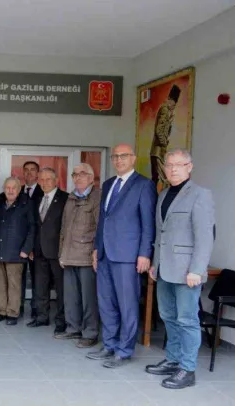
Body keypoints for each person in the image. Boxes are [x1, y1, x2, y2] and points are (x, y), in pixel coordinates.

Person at [146, 149, 215, 389]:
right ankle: (173, 360)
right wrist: (155, 263)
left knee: (187, 320)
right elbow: (160, 233)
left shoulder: (200, 195)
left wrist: (197, 269)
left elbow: (205, 236)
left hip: (187, 272)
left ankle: (187, 369)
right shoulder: (164, 194)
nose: (173, 169)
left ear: (189, 167)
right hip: (164, 268)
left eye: (179, 164)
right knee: (168, 316)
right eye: (169, 164)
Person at [88, 144, 156, 368]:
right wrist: (97, 248)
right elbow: (103, 220)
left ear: (133, 158)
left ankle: (124, 350)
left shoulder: (144, 185)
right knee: (106, 303)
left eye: (123, 156)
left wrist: (145, 253)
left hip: (128, 255)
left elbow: (148, 223)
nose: (119, 160)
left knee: (127, 305)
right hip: (105, 254)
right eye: (115, 156)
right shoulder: (108, 184)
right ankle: (109, 345)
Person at [58, 163, 101, 348]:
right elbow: (64, 228)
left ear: (91, 177)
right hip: (69, 255)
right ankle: (73, 328)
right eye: (75, 174)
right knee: (71, 297)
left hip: (87, 257)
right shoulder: (71, 197)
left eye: (82, 174)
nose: (78, 177)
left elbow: (100, 228)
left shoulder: (97, 197)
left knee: (88, 298)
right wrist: (61, 253)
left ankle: (90, 333)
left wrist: (96, 253)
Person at [0, 177, 35, 326]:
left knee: (14, 285)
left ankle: (12, 313)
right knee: (0, 284)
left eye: (13, 188)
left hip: (16, 252)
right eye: (7, 188)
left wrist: (26, 249)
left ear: (19, 189)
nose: (10, 190)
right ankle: (1, 311)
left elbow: (32, 228)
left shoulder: (26, 204)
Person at [29, 168, 69, 334]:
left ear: (56, 180)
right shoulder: (37, 198)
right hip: (39, 251)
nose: (44, 182)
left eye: (48, 179)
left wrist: (65, 250)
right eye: (41, 179)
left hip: (58, 251)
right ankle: (42, 317)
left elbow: (67, 227)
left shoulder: (65, 198)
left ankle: (61, 321)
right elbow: (34, 226)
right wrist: (31, 247)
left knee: (61, 289)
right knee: (40, 286)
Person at [21, 160, 43, 318]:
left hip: (37, 244)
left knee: (37, 278)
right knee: (19, 277)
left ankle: (36, 307)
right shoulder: (18, 191)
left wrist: (32, 247)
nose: (29, 173)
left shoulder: (44, 192)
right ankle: (18, 305)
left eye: (32, 170)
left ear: (38, 173)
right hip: (18, 244)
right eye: (26, 170)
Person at [150, 85, 181, 187]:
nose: (174, 106)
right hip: (158, 151)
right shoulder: (165, 109)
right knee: (166, 178)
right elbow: (159, 130)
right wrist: (164, 143)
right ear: (170, 100)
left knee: (155, 179)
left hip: (156, 151)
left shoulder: (167, 111)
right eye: (174, 104)